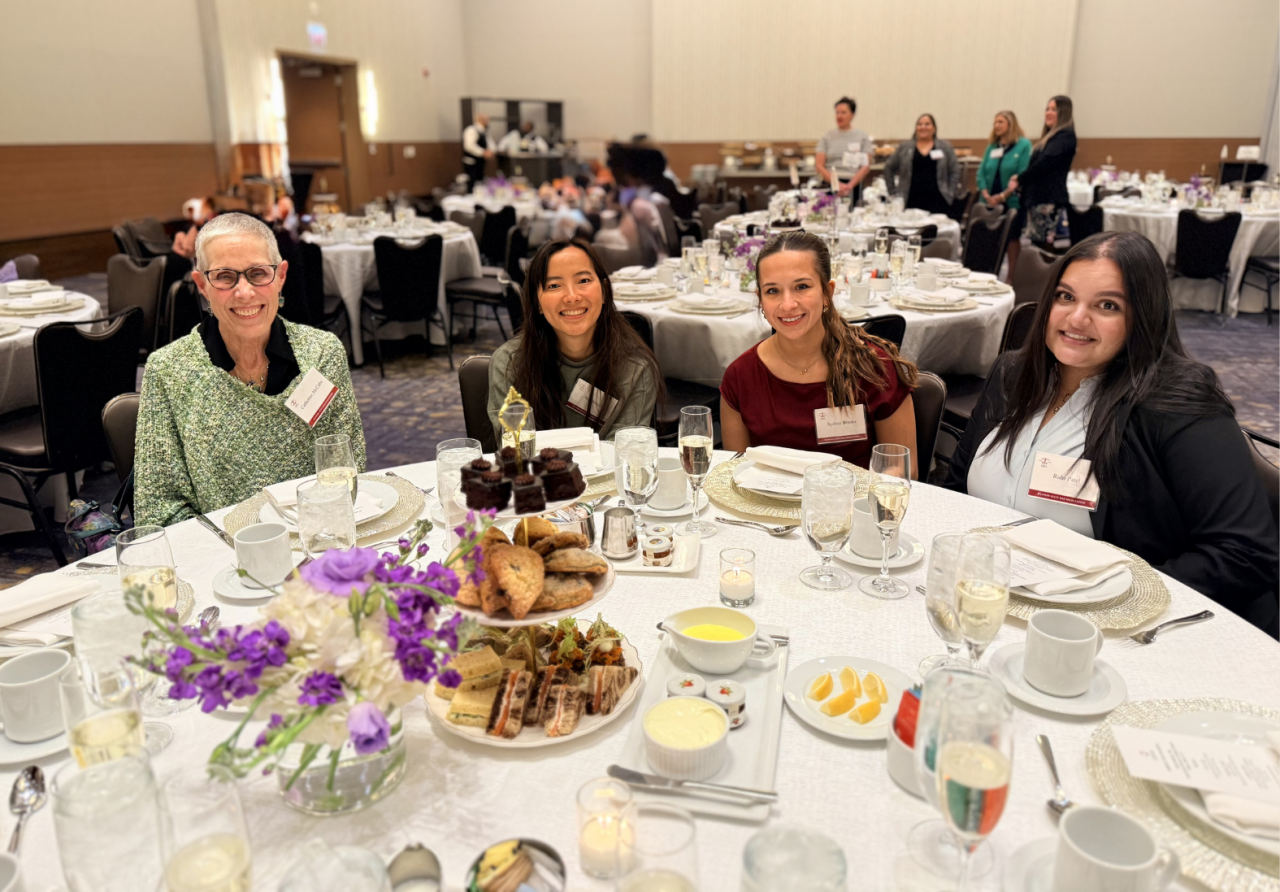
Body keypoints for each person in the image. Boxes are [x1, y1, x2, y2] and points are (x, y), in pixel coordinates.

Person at [946, 231, 1278, 635]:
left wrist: (1123, 604)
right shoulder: (1012, 375)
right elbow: (955, 490)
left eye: (1107, 305)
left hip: (1114, 632)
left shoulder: (1176, 404)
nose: (1076, 318)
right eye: (1065, 297)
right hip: (988, 605)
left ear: (1143, 316)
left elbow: (1246, 553)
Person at [134, 213, 365, 527]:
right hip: (221, 549)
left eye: (258, 273)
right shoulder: (169, 372)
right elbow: (160, 509)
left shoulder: (322, 355)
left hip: (317, 537)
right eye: (224, 276)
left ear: (280, 276)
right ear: (202, 285)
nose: (244, 292)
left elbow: (346, 468)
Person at [720, 231, 919, 471]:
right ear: (760, 299)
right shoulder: (741, 377)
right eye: (772, 291)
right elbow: (735, 473)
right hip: (764, 496)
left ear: (827, 293)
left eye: (801, 287)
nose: (788, 304)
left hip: (856, 494)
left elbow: (902, 469)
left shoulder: (873, 367)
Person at [487, 238, 662, 441]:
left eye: (583, 281)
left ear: (604, 291)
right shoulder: (509, 363)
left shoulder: (635, 369)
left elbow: (623, 452)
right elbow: (518, 448)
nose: (572, 297)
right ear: (537, 303)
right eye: (554, 285)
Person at [1009, 95, 1076, 250]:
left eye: (1054, 109)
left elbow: (1044, 164)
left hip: (1048, 199)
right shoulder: (1051, 137)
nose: (1048, 113)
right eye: (1047, 109)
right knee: (1036, 245)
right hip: (1038, 199)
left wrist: (1020, 179)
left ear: (1063, 112)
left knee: (1043, 248)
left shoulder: (1065, 136)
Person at [976, 110, 1033, 278]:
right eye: (995, 122)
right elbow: (981, 172)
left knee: (1012, 238)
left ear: (1011, 124)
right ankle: (987, 273)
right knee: (988, 238)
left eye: (1000, 122)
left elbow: (1022, 173)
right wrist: (985, 193)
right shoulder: (992, 146)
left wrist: (1003, 196)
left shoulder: (1023, 145)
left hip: (1011, 200)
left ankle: (1011, 277)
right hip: (989, 200)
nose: (996, 125)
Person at [882, 114, 960, 215]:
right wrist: (892, 193)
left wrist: (950, 193)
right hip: (909, 200)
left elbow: (955, 171)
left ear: (934, 128)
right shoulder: (905, 147)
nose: (923, 127)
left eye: (927, 124)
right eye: (919, 124)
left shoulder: (945, 147)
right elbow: (888, 168)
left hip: (938, 201)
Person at [815, 97, 873, 202]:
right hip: (830, 183)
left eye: (843, 113)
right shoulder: (827, 137)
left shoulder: (862, 136)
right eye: (837, 113)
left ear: (852, 114)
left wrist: (849, 186)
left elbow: (866, 166)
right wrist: (836, 184)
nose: (839, 116)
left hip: (854, 184)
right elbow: (819, 165)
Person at [461, 113, 494, 191]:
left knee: (479, 182)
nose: (488, 122)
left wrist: (491, 151)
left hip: (480, 161)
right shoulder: (471, 130)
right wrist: (483, 152)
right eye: (486, 120)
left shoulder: (484, 131)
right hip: (471, 161)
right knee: (471, 182)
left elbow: (490, 144)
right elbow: (469, 145)